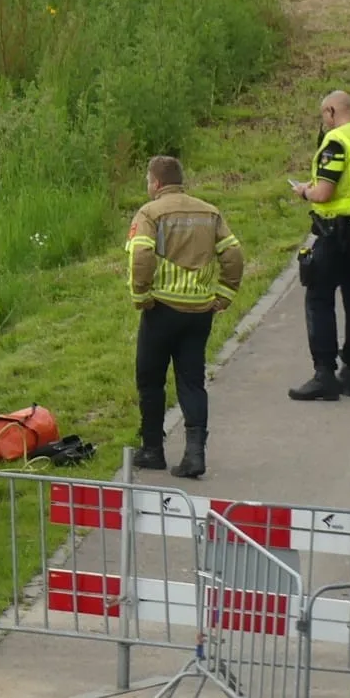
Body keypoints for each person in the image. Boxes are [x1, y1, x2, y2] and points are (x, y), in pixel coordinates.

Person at [127, 156, 245, 480]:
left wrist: (141, 295)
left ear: (156, 182)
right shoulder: (209, 211)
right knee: (192, 381)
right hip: (199, 312)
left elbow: (141, 255)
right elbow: (233, 253)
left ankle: (152, 449)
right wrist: (225, 293)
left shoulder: (150, 213)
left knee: (150, 379)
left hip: (161, 308)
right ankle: (195, 455)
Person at [286, 91, 350, 402]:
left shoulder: (336, 143)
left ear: (331, 111)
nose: (324, 122)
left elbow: (324, 193)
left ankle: (324, 375)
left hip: (338, 232)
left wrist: (305, 191)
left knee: (319, 297)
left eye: (323, 116)